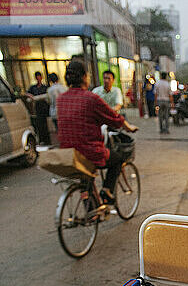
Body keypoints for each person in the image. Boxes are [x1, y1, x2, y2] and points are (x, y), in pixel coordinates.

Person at [57, 61, 138, 205]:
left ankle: (90, 210)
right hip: (89, 152)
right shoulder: (91, 98)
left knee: (85, 176)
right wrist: (128, 127)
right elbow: (113, 117)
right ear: (84, 77)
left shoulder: (61, 99)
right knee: (118, 159)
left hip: (68, 153)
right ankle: (107, 190)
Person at [28, 71, 50, 144]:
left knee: (46, 125)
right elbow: (28, 94)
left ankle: (47, 139)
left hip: (45, 108)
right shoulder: (33, 88)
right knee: (40, 125)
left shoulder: (45, 87)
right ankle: (42, 139)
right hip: (38, 109)